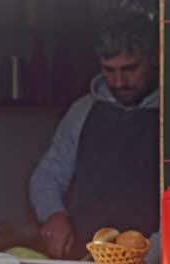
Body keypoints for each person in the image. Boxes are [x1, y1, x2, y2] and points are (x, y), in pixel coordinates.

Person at [29, 9, 160, 261]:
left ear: (153, 58)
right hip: (87, 255)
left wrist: (151, 253)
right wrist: (54, 214)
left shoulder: (165, 115)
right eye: (109, 70)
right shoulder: (82, 112)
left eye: (130, 68)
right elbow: (47, 175)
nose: (119, 81)